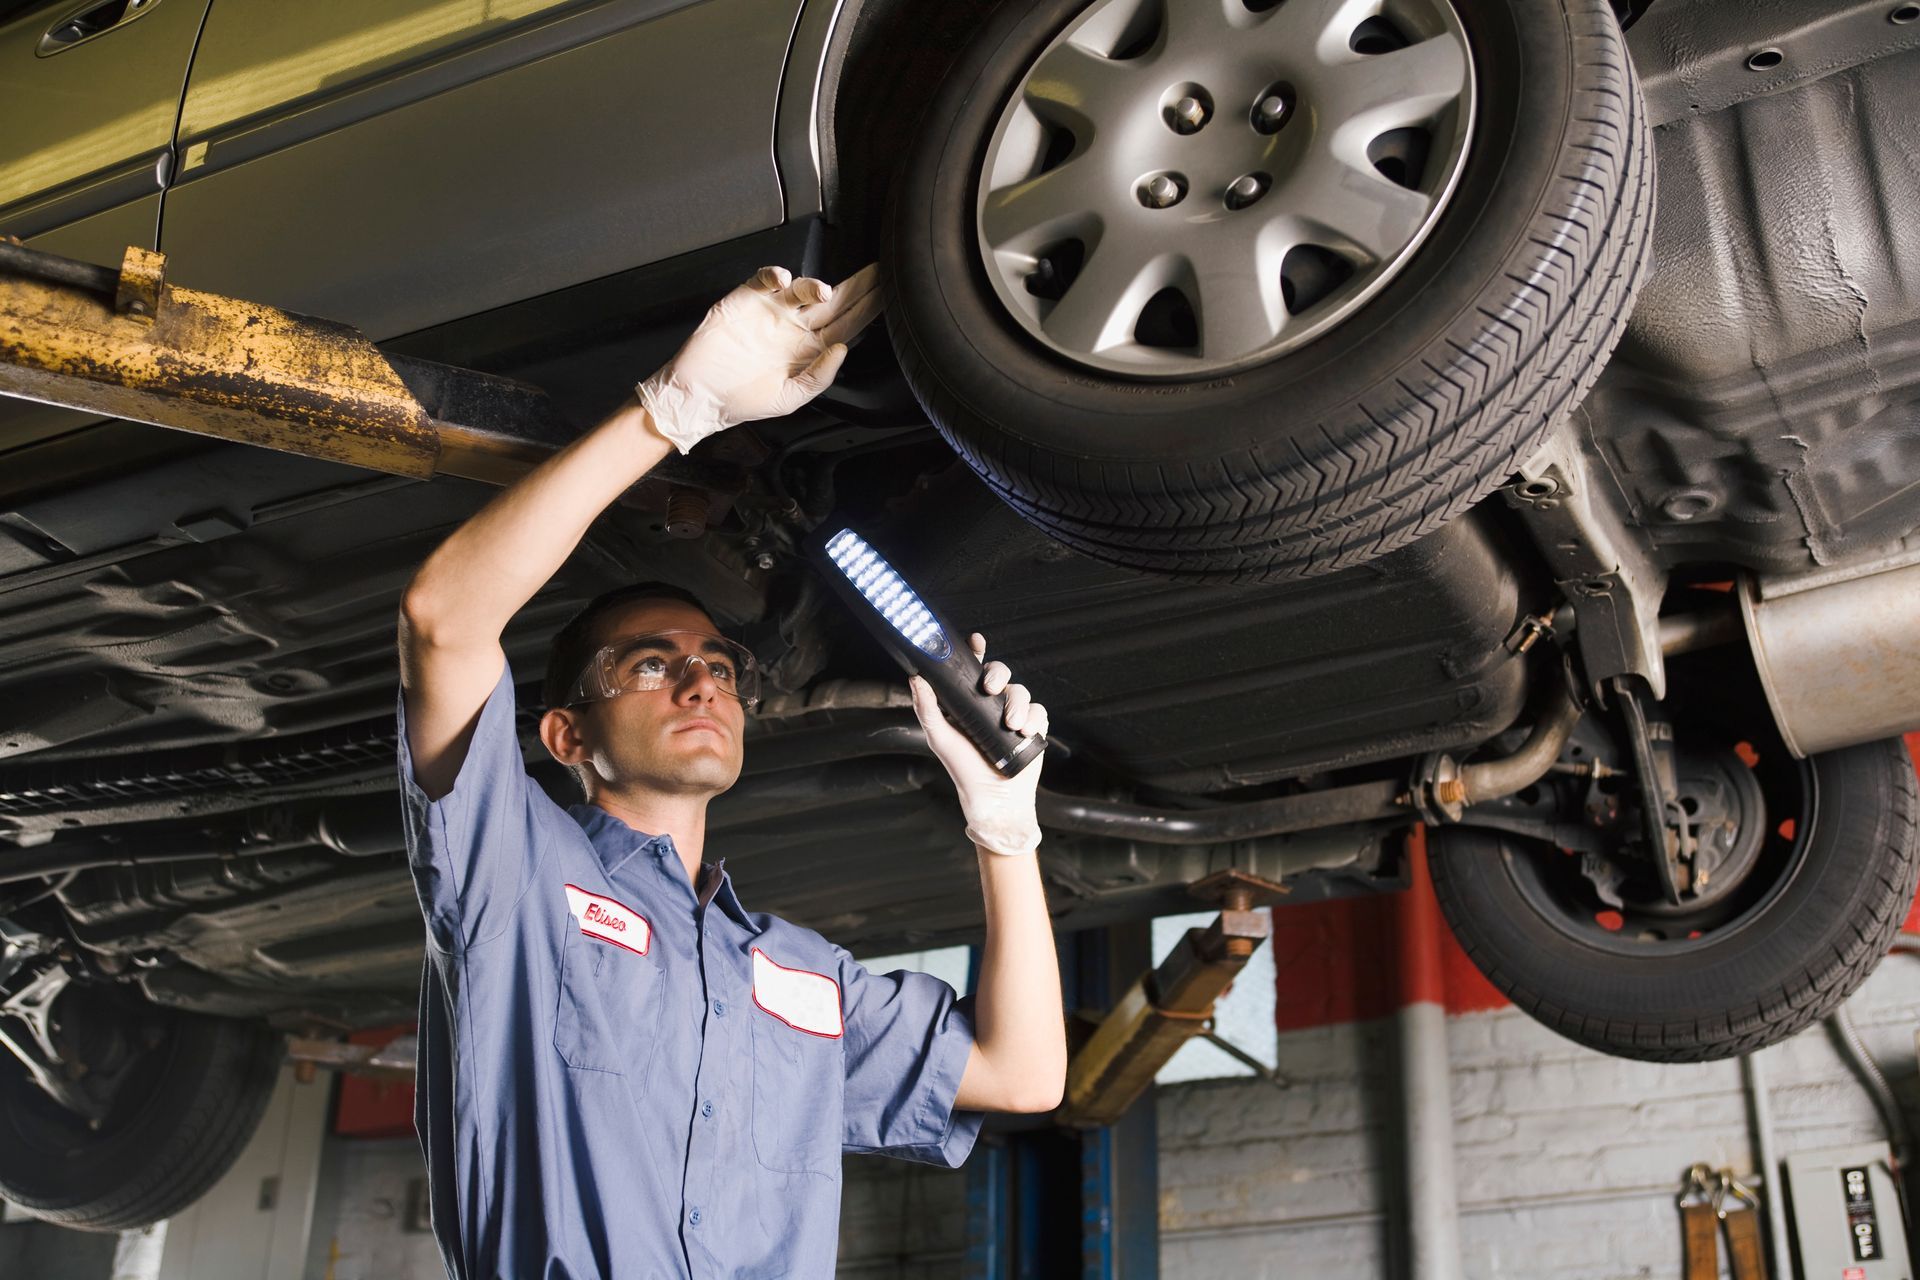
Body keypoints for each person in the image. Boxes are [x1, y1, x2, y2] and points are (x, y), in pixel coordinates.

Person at [394, 263, 1067, 1279]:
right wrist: (676, 409)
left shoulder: (794, 975)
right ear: (567, 736)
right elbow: (444, 621)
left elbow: (1023, 1074)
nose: (701, 682)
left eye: (717, 663)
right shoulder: (519, 876)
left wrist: (1005, 827)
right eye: (652, 663)